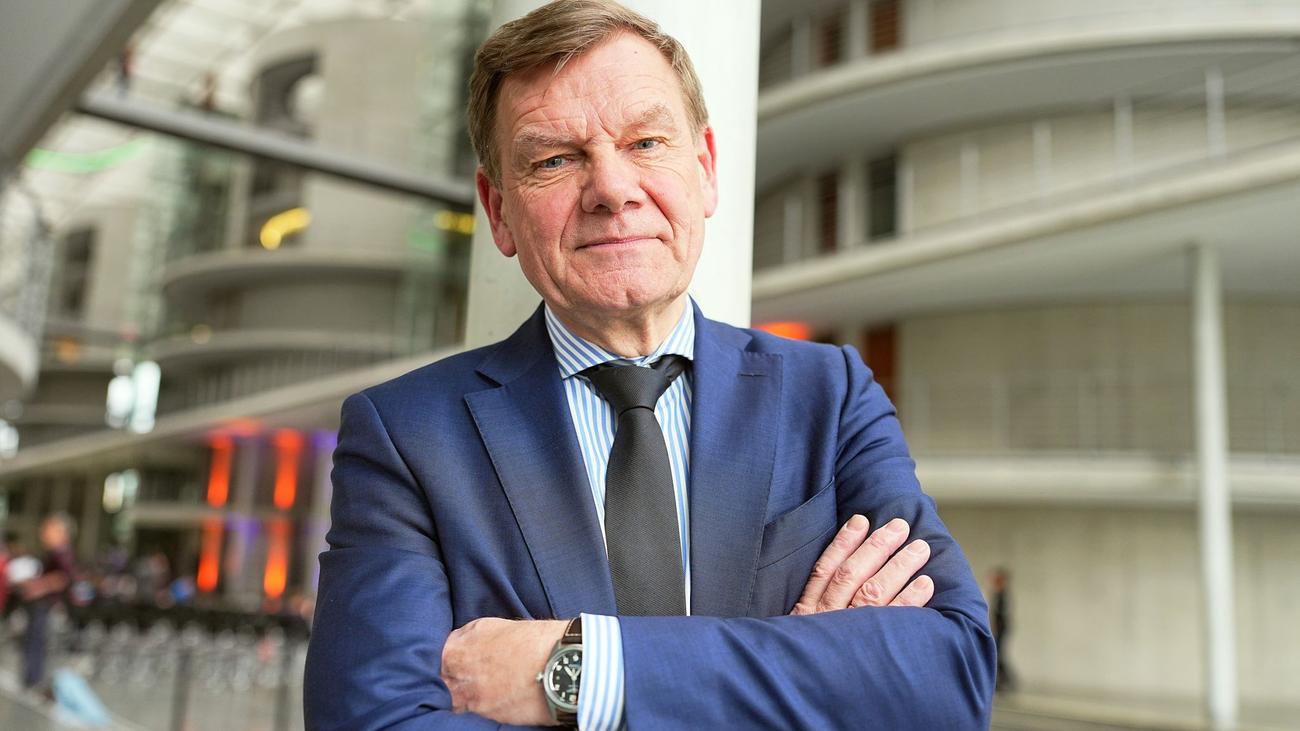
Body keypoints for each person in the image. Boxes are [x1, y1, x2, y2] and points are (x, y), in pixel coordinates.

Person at [303, 2, 995, 729]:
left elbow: (949, 679)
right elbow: (371, 721)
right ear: (499, 210)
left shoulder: (832, 395)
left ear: (705, 169)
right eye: (555, 159)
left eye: (646, 142)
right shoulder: (406, 436)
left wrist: (586, 670)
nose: (612, 188)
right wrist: (803, 670)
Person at [17, 513, 77, 691]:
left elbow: (63, 578)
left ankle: (37, 682)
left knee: (41, 644)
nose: (43, 533)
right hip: (42, 607)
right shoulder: (54, 553)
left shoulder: (62, 552)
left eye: (48, 529)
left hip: (48, 607)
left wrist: (37, 587)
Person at [991, 567, 1016, 693]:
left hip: (1001, 630)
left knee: (999, 655)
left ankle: (1007, 681)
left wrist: (996, 627)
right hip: (1000, 629)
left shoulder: (1002, 595)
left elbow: (1001, 615)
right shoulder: (998, 594)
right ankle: (1003, 681)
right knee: (999, 655)